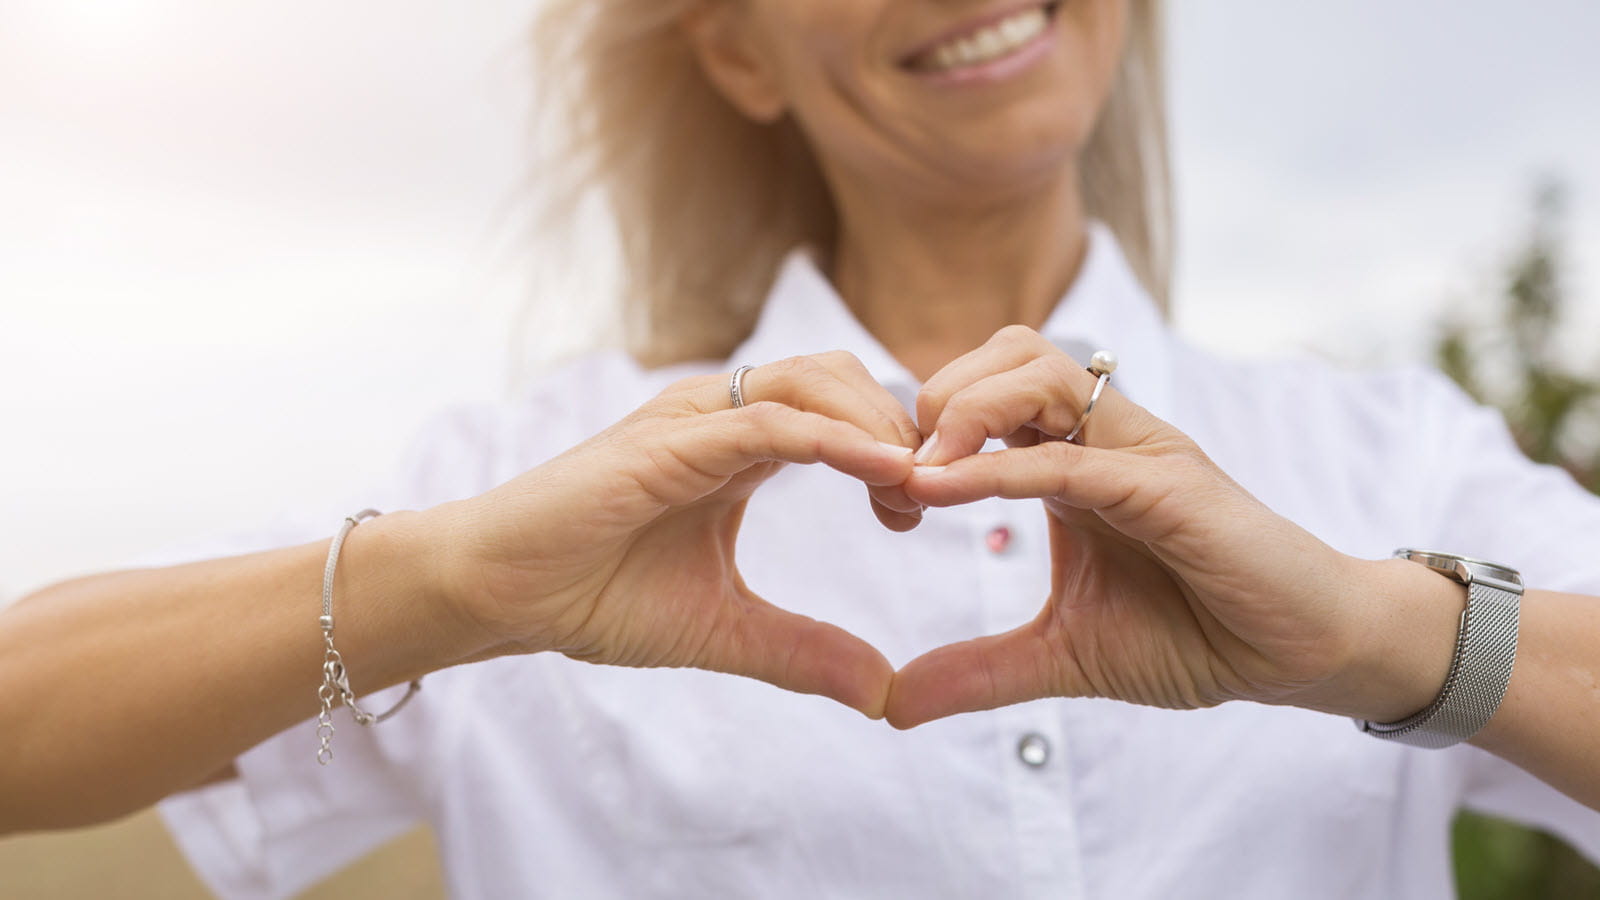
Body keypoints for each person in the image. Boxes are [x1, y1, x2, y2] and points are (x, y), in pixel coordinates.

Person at [2, 0, 1597, 896]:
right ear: (736, 53)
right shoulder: (534, 475)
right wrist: (456, 582)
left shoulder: (1381, 454)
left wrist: (1384, 633)